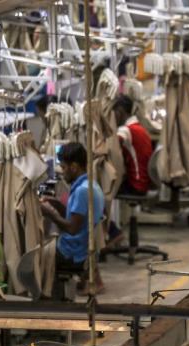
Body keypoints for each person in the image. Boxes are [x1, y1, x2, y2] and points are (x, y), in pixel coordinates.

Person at [41, 142, 106, 293]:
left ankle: (46, 296)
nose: (62, 172)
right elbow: (78, 218)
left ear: (74, 167)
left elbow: (72, 228)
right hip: (83, 248)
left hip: (72, 252)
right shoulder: (91, 185)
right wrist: (57, 204)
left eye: (64, 168)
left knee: (33, 253)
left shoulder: (82, 191)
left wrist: (50, 214)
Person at [112, 94, 152, 196]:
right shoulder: (140, 128)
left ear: (119, 112)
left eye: (113, 113)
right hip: (144, 183)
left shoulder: (125, 130)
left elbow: (111, 148)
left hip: (136, 186)